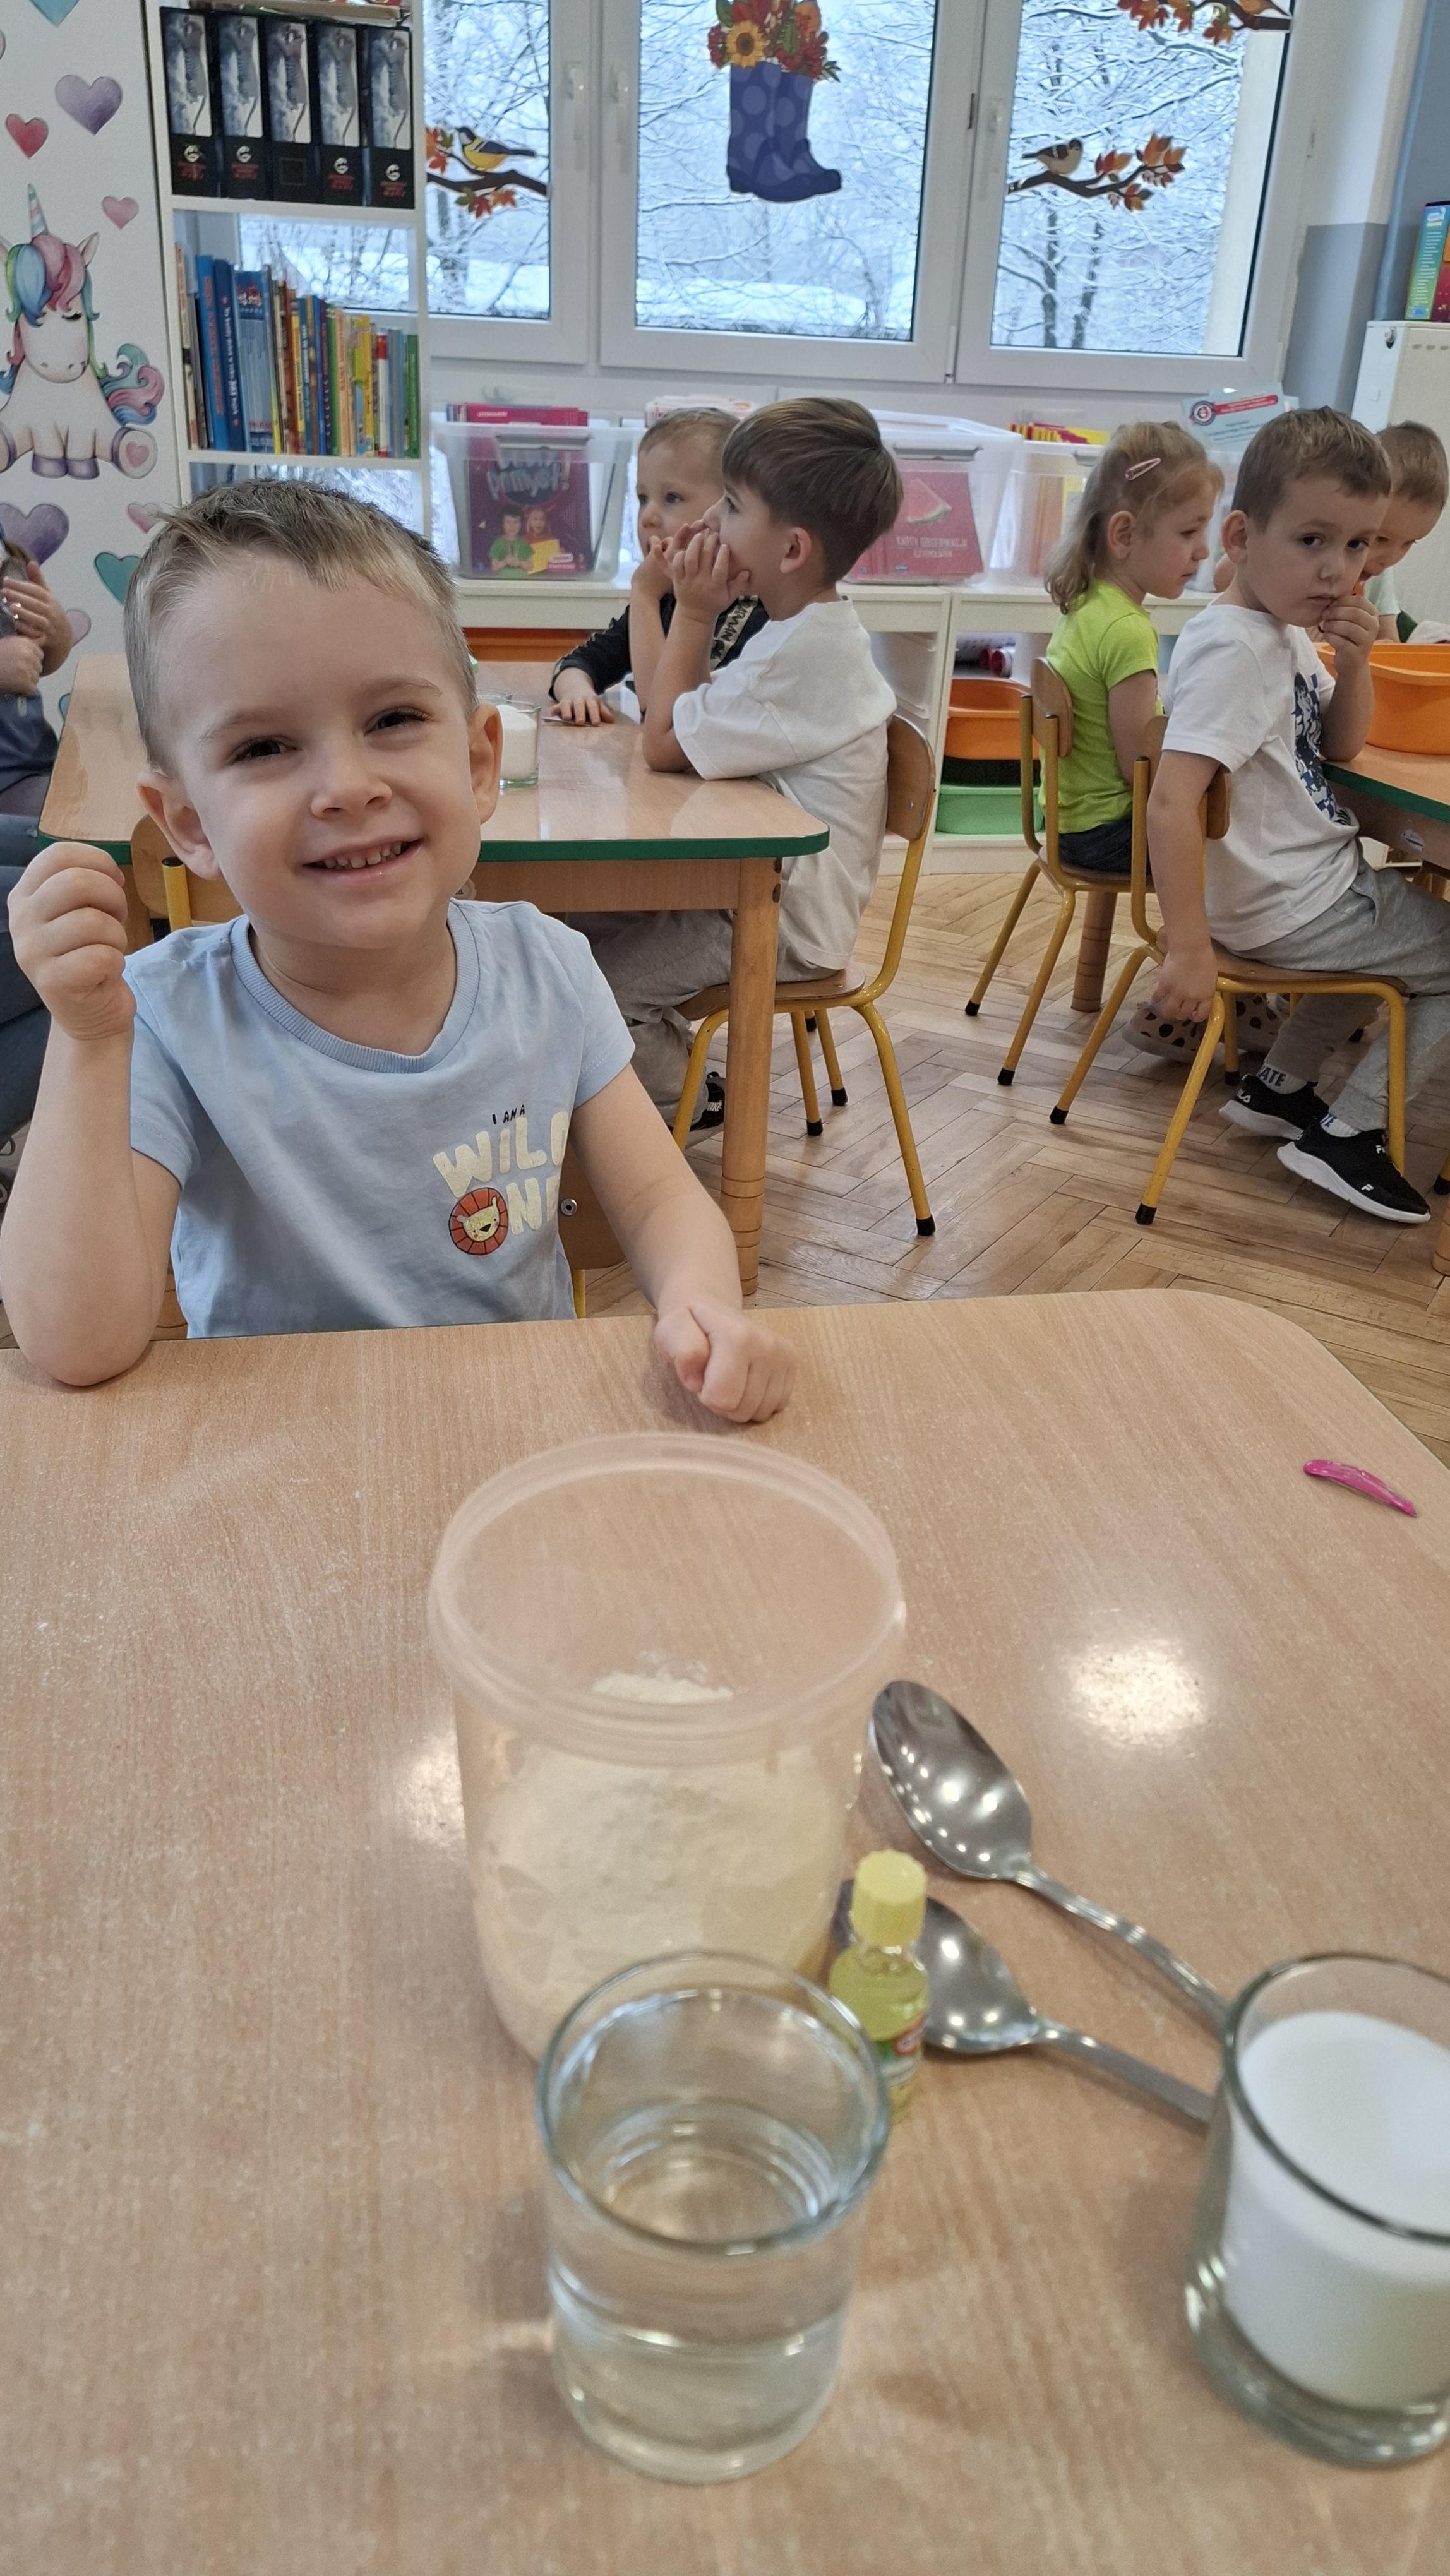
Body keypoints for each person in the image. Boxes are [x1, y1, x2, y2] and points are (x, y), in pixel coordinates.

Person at [1, 482, 796, 1416]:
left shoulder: (549, 968)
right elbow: (79, 1345)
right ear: (189, 826)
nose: (347, 786)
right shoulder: (159, 1016)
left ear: (478, 762)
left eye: (392, 720)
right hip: (276, 1450)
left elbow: (661, 1201)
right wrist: (87, 1041)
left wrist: (702, 1302)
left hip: (515, 1430)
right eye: (263, 747)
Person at [1149, 405, 1450, 1225]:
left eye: (1356, 546)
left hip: (1301, 895)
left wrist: (1356, 661)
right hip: (1288, 905)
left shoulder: (1277, 632)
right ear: (1241, 538)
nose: (1337, 570)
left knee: (1396, 937)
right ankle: (1351, 1134)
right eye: (1312, 540)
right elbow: (1171, 800)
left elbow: (1342, 744)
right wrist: (1187, 949)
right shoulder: (1236, 650)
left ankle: (1280, 1087)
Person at [587, 397, 901, 1117]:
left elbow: (661, 742)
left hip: (783, 922)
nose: (707, 521)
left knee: (600, 989)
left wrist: (694, 611)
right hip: (754, 890)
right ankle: (636, 1093)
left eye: (730, 504)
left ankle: (700, 1103)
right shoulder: (800, 631)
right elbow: (684, 723)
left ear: (790, 550)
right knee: (568, 932)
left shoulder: (804, 653)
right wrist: (684, 610)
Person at [1043, 420, 1220, 878]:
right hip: (1108, 834)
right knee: (1238, 848)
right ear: (1124, 535)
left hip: (1069, 824)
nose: (1203, 551)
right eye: (1188, 533)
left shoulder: (1085, 604)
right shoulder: (1128, 631)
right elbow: (1139, 767)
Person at [551, 408, 767, 727]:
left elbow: (665, 717)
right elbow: (578, 662)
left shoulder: (760, 615)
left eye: (672, 498)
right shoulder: (665, 599)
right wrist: (577, 692)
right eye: (642, 498)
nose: (648, 517)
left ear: (727, 506)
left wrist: (644, 592)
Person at [0, 540, 73, 1167]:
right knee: (84, 930)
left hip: (29, 768)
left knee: (86, 867)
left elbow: (40, 658)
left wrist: (54, 635)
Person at [1362, 419, 1448, 640]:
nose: (1390, 559)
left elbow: (1390, 643)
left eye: (1408, 543)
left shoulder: (1379, 574)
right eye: (1381, 539)